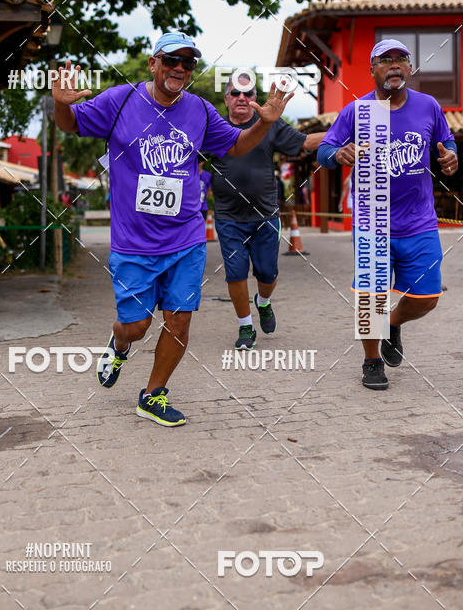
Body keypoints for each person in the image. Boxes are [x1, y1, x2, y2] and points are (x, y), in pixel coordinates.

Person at [52, 32, 293, 426]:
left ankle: (152, 395)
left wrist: (264, 123)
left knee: (179, 319)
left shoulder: (198, 109)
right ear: (153, 63)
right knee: (137, 325)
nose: (180, 68)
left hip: (185, 236)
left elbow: (235, 145)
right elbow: (72, 124)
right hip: (133, 242)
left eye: (188, 62)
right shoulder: (122, 100)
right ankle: (120, 341)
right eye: (171, 60)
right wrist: (60, 106)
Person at [317, 38, 458, 390]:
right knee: (371, 298)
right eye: (385, 59)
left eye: (401, 59)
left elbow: (448, 141)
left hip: (419, 221)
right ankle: (371, 361)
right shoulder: (356, 111)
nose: (394, 65)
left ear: (409, 68)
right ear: (372, 70)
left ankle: (392, 324)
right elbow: (324, 150)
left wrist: (451, 156)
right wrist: (337, 155)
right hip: (371, 222)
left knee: (427, 298)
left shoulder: (428, 106)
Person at [210, 74, 324, 349]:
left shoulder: (268, 124)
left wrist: (347, 133)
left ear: (255, 100)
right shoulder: (214, 127)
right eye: (235, 93)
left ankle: (263, 302)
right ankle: (245, 327)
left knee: (268, 274)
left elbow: (306, 142)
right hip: (228, 217)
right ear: (226, 99)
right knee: (235, 273)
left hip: (265, 216)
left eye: (247, 94)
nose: (241, 98)